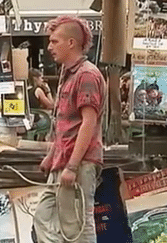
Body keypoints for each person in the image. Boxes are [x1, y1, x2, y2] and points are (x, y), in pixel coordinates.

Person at [33, 15, 106, 243]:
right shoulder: (69, 73)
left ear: (71, 43)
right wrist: (51, 157)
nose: (49, 47)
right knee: (43, 216)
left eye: (55, 41)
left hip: (79, 162)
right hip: (64, 160)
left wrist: (73, 166)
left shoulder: (86, 74)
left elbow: (88, 123)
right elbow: (66, 124)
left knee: (76, 226)